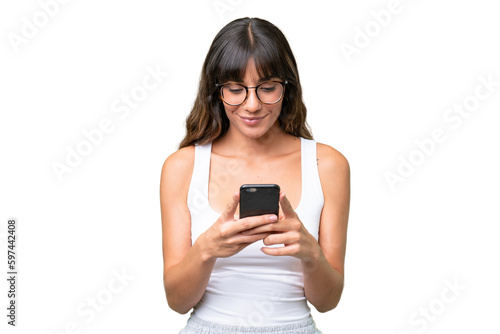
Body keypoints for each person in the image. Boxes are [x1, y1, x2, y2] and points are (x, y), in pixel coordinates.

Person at [160, 17, 350, 334]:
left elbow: (327, 301)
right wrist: (207, 248)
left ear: (287, 88)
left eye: (268, 88)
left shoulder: (326, 164)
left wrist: (309, 252)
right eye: (235, 89)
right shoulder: (182, 167)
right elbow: (177, 301)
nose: (251, 105)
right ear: (216, 91)